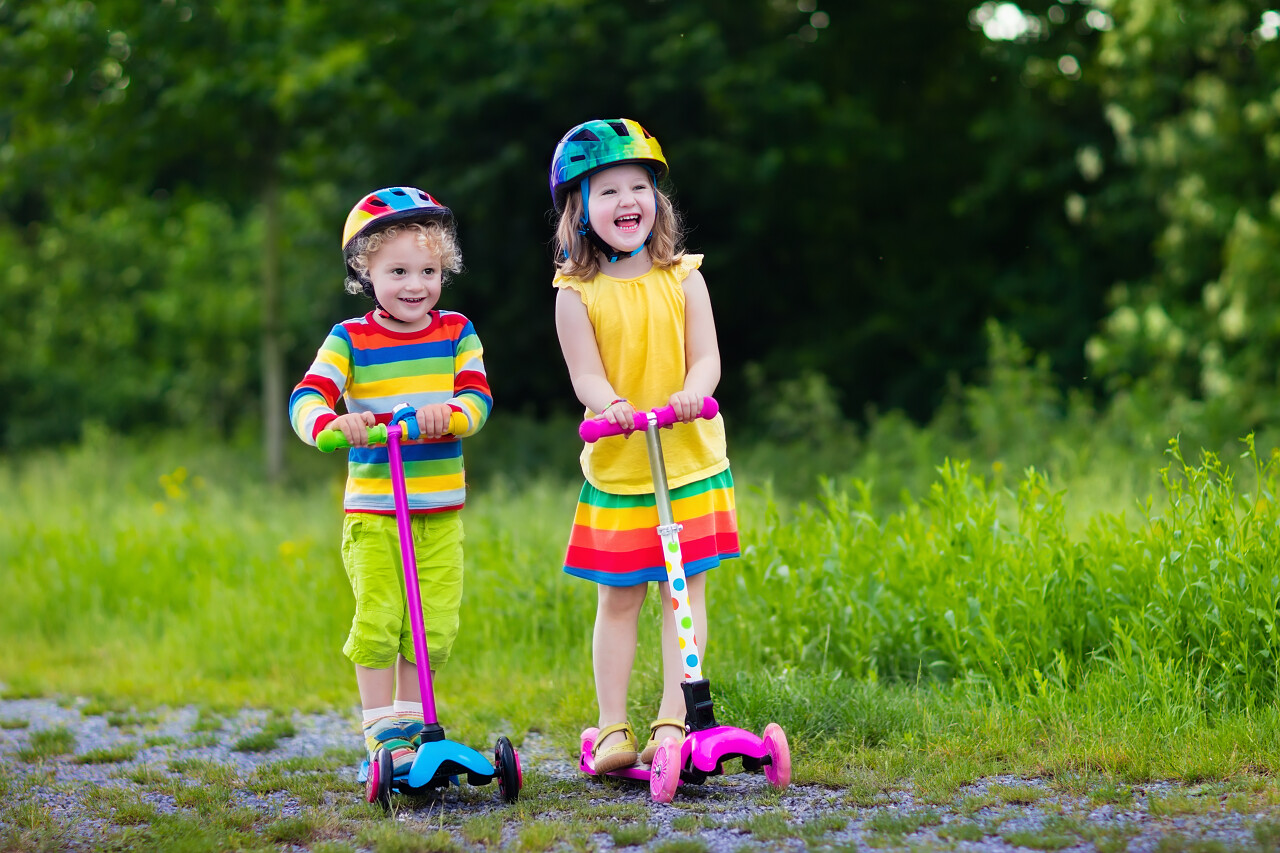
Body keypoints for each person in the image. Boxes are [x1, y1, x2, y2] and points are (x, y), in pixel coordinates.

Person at [549, 118, 740, 773]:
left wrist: (693, 391)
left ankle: (673, 716)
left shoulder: (684, 276)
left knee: (684, 591)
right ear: (579, 211)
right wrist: (612, 405)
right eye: (607, 191)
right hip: (622, 463)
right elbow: (586, 373)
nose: (627, 200)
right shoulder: (576, 293)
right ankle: (610, 726)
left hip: (690, 458)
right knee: (620, 596)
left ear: (657, 201)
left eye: (639, 186)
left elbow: (707, 357)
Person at [289, 186, 492, 777]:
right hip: (376, 511)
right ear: (365, 270)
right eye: (398, 270)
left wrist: (450, 415)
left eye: (428, 270)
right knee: (380, 619)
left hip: (439, 509)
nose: (415, 284)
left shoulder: (457, 331)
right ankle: (384, 736)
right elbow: (308, 397)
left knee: (433, 626)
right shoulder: (349, 339)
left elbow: (476, 398)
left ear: (444, 270)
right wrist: (331, 426)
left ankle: (417, 730)